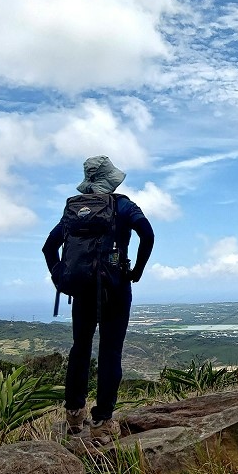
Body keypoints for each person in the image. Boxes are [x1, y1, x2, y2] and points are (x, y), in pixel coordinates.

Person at [42, 155, 154, 445]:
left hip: (81, 291)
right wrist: (137, 271)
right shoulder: (122, 205)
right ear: (112, 179)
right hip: (115, 290)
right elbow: (147, 234)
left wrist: (61, 277)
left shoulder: (73, 210)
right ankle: (103, 423)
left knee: (80, 348)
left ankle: (74, 416)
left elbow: (49, 247)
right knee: (110, 352)